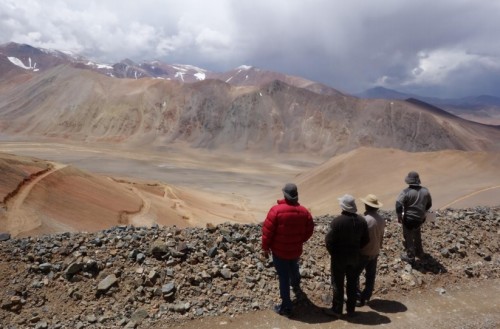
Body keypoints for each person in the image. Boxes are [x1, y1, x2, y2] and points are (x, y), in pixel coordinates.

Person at [261, 183, 314, 317]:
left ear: (284, 195)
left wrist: (265, 247)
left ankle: (286, 307)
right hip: (295, 249)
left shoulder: (276, 210)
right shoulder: (304, 211)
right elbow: (309, 230)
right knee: (294, 265)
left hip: (279, 251)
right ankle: (296, 285)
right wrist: (299, 240)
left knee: (283, 277)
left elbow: (267, 232)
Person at [325, 194, 369, 318]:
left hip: (339, 258)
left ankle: (337, 310)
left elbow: (329, 241)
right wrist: (357, 249)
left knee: (338, 283)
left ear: (343, 207)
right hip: (355, 257)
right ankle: (351, 309)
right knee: (352, 283)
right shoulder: (362, 220)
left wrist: (333, 253)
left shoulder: (337, 222)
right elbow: (366, 240)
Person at [395, 171, 432, 264]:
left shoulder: (406, 192)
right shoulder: (425, 191)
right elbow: (429, 204)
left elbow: (399, 204)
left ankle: (410, 256)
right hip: (420, 219)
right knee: (417, 234)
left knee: (408, 237)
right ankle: (420, 252)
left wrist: (399, 216)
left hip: (408, 219)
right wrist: (422, 212)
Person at [356, 194, 385, 307]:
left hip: (363, 252)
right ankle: (366, 296)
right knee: (370, 275)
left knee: (354, 275)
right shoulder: (381, 220)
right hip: (375, 251)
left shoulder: (364, 220)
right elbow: (381, 236)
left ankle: (357, 298)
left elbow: (359, 237)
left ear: (366, 206)